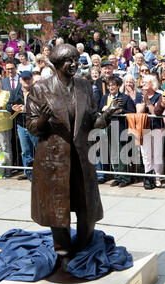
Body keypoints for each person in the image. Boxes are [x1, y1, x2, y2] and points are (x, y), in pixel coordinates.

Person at [26, 44, 122, 272]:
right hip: (54, 160)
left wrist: (106, 115)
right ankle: (63, 252)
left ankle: (84, 245)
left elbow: (91, 121)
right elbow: (32, 127)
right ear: (57, 64)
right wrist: (42, 120)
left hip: (81, 157)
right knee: (58, 211)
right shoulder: (40, 89)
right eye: (69, 60)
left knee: (88, 209)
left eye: (76, 60)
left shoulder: (84, 85)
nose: (74, 64)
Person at [98, 75, 136, 188]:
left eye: (113, 85)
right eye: (109, 85)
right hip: (108, 127)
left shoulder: (125, 97)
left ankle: (125, 177)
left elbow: (132, 111)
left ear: (118, 86)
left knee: (121, 153)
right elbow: (99, 109)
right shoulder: (105, 97)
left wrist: (121, 111)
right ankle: (117, 177)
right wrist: (103, 109)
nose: (111, 87)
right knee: (113, 153)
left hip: (120, 128)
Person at [6, 71, 38, 181]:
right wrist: (13, 108)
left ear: (32, 79)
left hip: (34, 125)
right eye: (24, 79)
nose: (26, 81)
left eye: (28, 79)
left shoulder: (37, 91)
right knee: (25, 151)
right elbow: (7, 106)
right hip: (21, 125)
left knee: (38, 149)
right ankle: (28, 172)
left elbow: (41, 107)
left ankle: (40, 171)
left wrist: (27, 109)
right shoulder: (15, 92)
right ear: (20, 80)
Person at [135, 74, 164, 189]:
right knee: (146, 154)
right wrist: (143, 101)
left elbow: (155, 113)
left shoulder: (159, 96)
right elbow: (139, 112)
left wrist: (148, 103)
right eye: (142, 83)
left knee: (157, 154)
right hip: (144, 128)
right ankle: (148, 176)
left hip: (157, 127)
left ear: (152, 84)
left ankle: (157, 177)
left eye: (145, 83)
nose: (143, 85)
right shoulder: (139, 96)